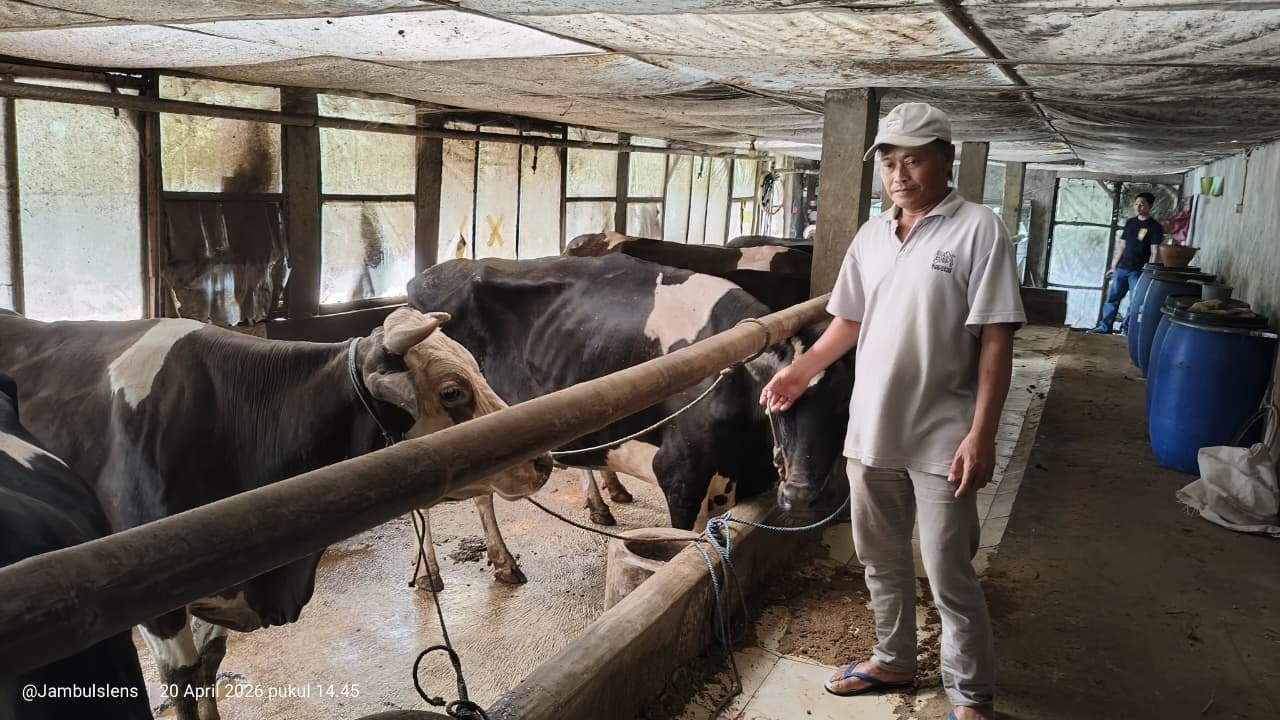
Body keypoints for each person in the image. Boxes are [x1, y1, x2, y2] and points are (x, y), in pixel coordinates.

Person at [760, 102, 1024, 720]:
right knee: (878, 558)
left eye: (913, 159)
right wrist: (800, 371)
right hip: (871, 430)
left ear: (945, 159)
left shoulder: (978, 229)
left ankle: (971, 694)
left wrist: (981, 434)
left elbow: (996, 339)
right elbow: (848, 320)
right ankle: (893, 658)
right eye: (888, 161)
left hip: (944, 437)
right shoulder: (873, 234)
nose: (899, 174)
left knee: (948, 572)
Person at [1091, 192, 1163, 334]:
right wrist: (1114, 266)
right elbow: (1122, 246)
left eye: (1142, 204)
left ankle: (1126, 330)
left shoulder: (1155, 227)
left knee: (1135, 302)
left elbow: (1155, 251)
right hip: (1122, 269)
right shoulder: (1131, 223)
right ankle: (1105, 328)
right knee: (1112, 299)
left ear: (1150, 206)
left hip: (1139, 271)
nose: (1138, 206)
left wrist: (1149, 273)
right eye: (1136, 203)